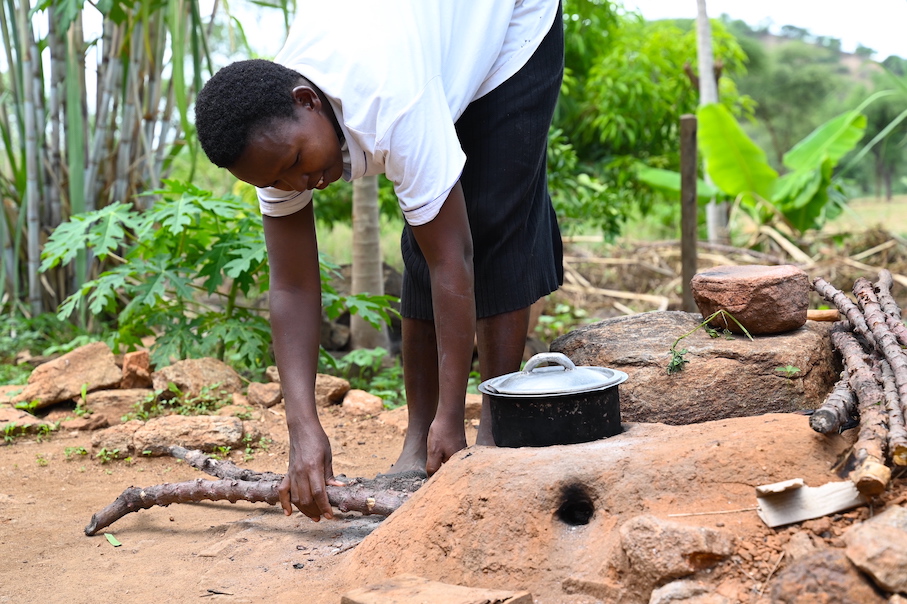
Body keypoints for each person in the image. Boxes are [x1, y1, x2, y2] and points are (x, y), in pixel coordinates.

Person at [195, 0, 564, 523]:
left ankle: (493, 431)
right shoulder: (272, 146)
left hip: (506, 25)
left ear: (308, 101)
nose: (298, 185)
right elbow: (293, 288)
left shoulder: (392, 99)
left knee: (494, 218)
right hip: (423, 31)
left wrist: (454, 416)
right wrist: (302, 427)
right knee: (422, 235)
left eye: (297, 164)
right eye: (276, 181)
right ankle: (418, 441)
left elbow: (452, 259)